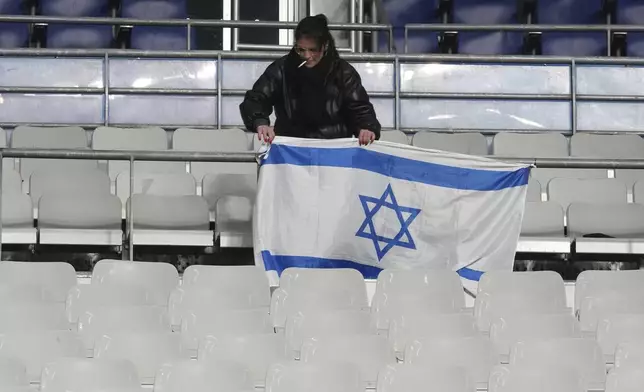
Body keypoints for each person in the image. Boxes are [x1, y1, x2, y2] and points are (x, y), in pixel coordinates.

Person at [239, 14, 381, 146]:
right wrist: (260, 122)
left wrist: (366, 128)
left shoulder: (343, 73)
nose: (306, 56)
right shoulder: (282, 69)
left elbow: (360, 109)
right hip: (291, 149)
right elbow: (256, 98)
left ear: (324, 46)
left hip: (333, 150)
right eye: (300, 50)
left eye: (313, 50)